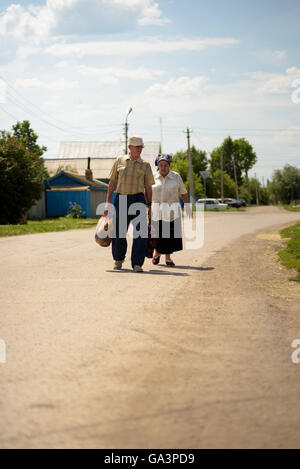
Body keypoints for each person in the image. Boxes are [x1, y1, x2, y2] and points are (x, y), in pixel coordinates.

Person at [104, 136, 155, 273]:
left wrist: (150, 206)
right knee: (119, 232)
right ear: (130, 147)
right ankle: (119, 259)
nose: (139, 149)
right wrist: (108, 201)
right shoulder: (119, 161)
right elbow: (112, 182)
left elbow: (148, 188)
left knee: (140, 233)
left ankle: (137, 263)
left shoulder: (145, 165)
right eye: (137, 146)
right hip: (121, 198)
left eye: (141, 147)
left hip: (138, 199)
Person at [151, 153, 192, 266]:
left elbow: (183, 192)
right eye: (161, 165)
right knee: (157, 236)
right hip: (156, 211)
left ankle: (167, 258)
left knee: (169, 236)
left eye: (166, 165)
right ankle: (156, 254)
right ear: (158, 165)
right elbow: (147, 192)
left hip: (171, 212)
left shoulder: (176, 176)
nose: (163, 167)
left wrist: (187, 206)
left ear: (169, 166)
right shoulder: (152, 176)